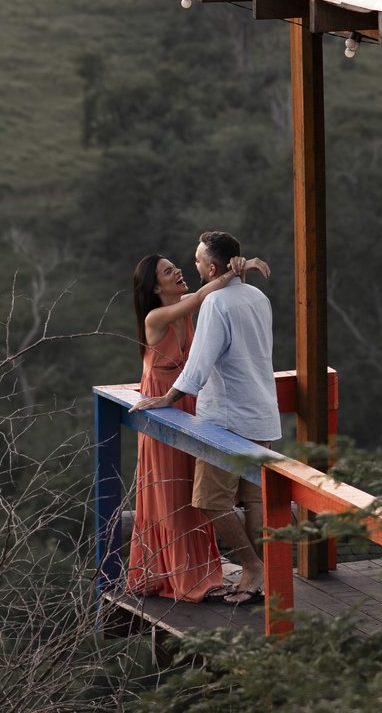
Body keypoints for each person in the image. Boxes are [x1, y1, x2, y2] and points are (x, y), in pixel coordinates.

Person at [130, 229, 281, 604]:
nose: (189, 266)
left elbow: (198, 364)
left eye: (196, 260)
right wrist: (240, 270)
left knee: (209, 500)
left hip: (220, 417)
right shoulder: (257, 297)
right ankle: (258, 577)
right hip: (257, 410)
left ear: (211, 268)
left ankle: (251, 569)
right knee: (251, 499)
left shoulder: (213, 303)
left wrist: (169, 396)